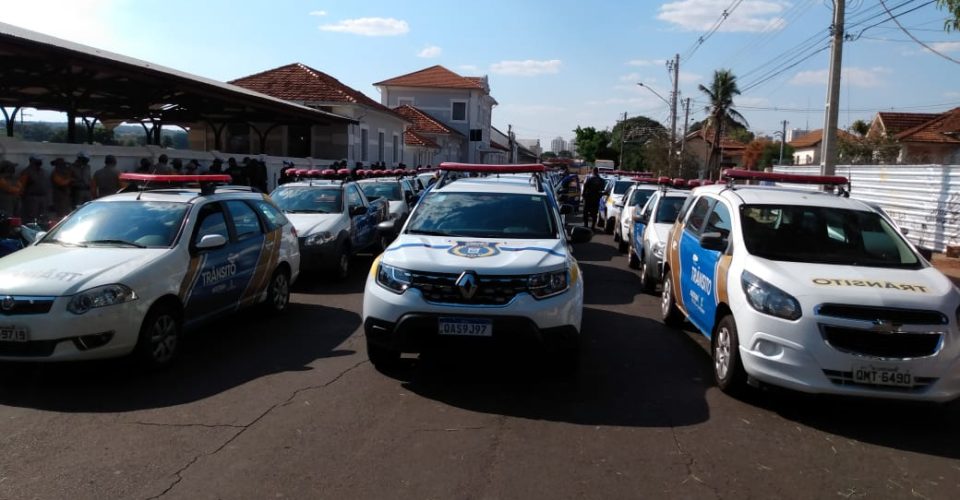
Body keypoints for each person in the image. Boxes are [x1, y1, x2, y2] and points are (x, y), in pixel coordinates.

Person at [18, 156, 49, 222]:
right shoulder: (26, 172)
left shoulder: (42, 171)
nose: (40, 162)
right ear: (32, 161)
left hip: (43, 197)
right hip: (32, 198)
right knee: (31, 217)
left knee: (43, 216)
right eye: (37, 160)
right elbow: (21, 186)